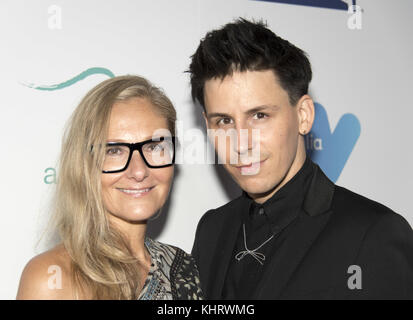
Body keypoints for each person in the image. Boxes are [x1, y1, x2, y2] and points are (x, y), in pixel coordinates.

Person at [188, 18, 413, 299]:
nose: (241, 143)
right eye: (224, 121)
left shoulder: (372, 234)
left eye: (259, 116)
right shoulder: (212, 229)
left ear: (303, 116)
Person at [16, 75, 203, 300]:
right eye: (114, 151)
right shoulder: (52, 280)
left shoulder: (184, 268)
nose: (139, 171)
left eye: (154, 147)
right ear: (84, 165)